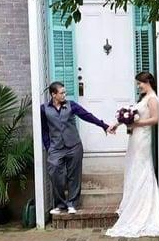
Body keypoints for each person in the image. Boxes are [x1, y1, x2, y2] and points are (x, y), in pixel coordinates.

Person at [106, 72, 159, 237]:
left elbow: (155, 119)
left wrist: (136, 123)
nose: (139, 86)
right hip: (135, 138)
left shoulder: (152, 98)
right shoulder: (143, 98)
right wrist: (117, 124)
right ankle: (133, 202)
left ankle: (143, 208)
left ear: (147, 82)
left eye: (140, 83)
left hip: (143, 138)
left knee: (142, 168)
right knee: (134, 168)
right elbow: (130, 116)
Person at [41, 81, 114, 215]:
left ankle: (72, 204)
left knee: (74, 175)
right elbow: (44, 130)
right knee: (55, 173)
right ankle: (60, 204)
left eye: (65, 92)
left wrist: (104, 125)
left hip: (74, 146)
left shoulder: (71, 105)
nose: (65, 95)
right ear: (53, 94)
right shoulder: (44, 109)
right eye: (62, 93)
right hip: (56, 148)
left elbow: (87, 116)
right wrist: (48, 146)